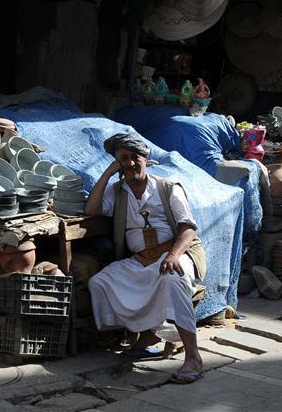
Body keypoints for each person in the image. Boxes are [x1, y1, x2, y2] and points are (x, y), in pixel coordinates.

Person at [84, 132, 206, 384]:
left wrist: (173, 255)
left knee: (172, 279)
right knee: (99, 282)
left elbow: (188, 229)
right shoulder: (117, 191)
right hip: (141, 260)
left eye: (135, 157)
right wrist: (108, 173)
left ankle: (193, 357)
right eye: (123, 159)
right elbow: (91, 210)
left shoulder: (168, 188)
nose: (130, 163)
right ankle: (151, 334)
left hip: (175, 253)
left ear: (146, 158)